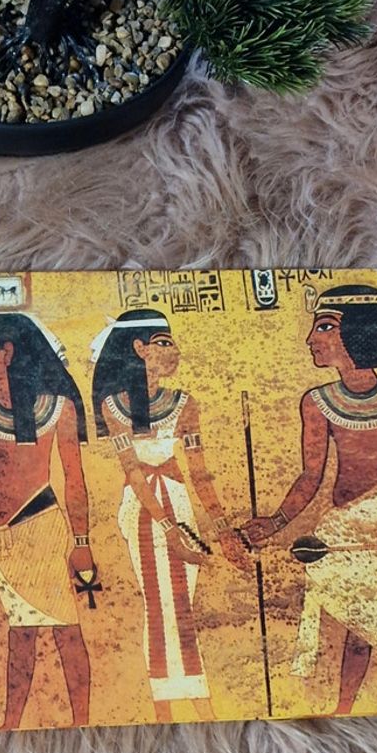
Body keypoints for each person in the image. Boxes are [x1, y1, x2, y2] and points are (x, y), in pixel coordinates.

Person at [242, 285, 377, 715]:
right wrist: (275, 522)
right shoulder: (318, 402)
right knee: (357, 627)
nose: (311, 338)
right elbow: (311, 476)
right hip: (344, 527)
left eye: (325, 326)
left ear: (360, 331)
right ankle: (345, 707)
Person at [91, 309, 250, 723]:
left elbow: (199, 471)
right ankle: (171, 703)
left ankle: (186, 699)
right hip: (144, 508)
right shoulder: (114, 407)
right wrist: (169, 530)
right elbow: (132, 471)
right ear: (139, 349)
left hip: (177, 501)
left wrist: (224, 532)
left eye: (172, 342)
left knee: (182, 603)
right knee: (161, 605)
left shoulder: (185, 404)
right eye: (163, 342)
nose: (174, 350)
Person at [0, 313, 94, 730]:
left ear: (8, 353)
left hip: (43, 528)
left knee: (65, 630)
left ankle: (82, 720)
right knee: (21, 632)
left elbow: (75, 480)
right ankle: (11, 723)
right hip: (5, 540)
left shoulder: (57, 410)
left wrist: (81, 543)